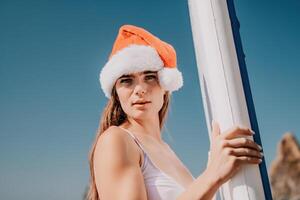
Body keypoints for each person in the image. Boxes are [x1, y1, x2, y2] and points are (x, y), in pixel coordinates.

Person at [86, 24, 263, 200]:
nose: (139, 89)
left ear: (165, 87)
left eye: (149, 77)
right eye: (126, 80)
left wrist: (214, 170)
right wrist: (212, 176)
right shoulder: (116, 140)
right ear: (116, 92)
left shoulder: (167, 150)